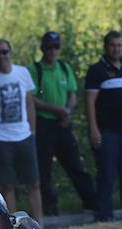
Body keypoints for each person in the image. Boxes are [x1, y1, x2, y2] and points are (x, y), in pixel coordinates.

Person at [0, 39, 43, 221]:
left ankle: (40, 228)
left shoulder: (22, 73)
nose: (1, 56)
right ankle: (13, 228)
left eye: (4, 51)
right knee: (7, 186)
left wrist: (33, 131)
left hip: (24, 135)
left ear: (10, 52)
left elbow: (29, 103)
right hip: (0, 139)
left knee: (34, 183)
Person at [31, 31, 95, 215]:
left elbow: (73, 93)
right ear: (43, 48)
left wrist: (67, 111)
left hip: (63, 123)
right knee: (44, 169)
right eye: (49, 47)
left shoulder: (64, 68)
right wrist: (55, 109)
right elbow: (32, 99)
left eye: (56, 47)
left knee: (75, 164)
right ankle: (50, 207)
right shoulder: (35, 69)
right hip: (44, 123)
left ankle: (91, 201)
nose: (53, 51)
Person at [85, 31, 122, 221]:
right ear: (106, 46)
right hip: (107, 132)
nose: (117, 48)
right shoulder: (96, 70)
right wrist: (94, 129)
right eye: (113, 45)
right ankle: (104, 217)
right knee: (106, 176)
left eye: (120, 45)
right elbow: (89, 102)